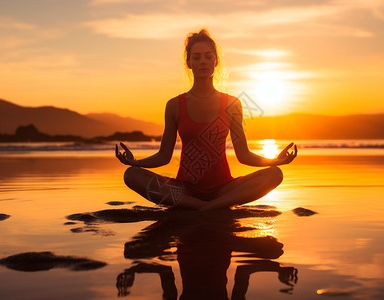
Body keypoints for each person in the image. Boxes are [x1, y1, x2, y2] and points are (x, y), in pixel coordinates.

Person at [116, 29, 297, 211]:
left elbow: (244, 155)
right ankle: (205, 206)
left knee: (275, 174)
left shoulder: (232, 104)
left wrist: (274, 161)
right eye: (197, 57)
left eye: (208, 56)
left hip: (224, 188)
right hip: (184, 189)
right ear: (189, 63)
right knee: (131, 175)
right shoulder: (174, 105)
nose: (203, 61)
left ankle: (205, 207)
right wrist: (136, 163)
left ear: (216, 61)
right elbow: (164, 156)